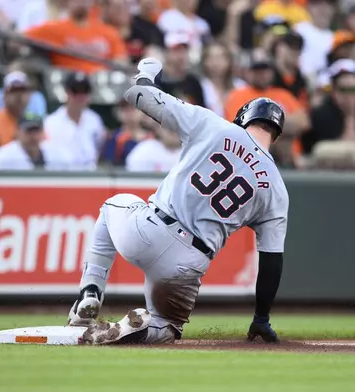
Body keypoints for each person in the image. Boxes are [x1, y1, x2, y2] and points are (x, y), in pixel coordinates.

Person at [66, 58, 288, 345]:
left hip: (150, 229)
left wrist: (147, 72)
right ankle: (132, 329)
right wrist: (261, 318)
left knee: (112, 206)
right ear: (276, 136)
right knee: (166, 329)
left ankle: (91, 292)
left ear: (242, 117)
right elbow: (272, 260)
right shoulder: (277, 188)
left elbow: (139, 95)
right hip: (189, 263)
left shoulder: (214, 125)